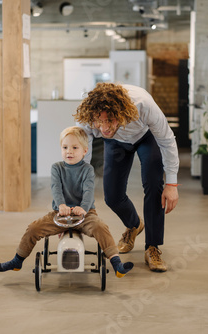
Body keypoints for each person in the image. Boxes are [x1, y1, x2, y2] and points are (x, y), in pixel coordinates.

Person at [0, 126, 133, 278]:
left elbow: (88, 191)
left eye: (75, 147)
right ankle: (17, 260)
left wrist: (83, 208)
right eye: (65, 147)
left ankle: (116, 264)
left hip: (84, 213)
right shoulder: (57, 168)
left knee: (101, 227)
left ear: (85, 151)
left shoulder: (88, 170)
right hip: (60, 213)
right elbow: (56, 188)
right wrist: (61, 205)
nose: (69, 151)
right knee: (34, 228)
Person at [74, 82, 179, 272]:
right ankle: (134, 225)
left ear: (121, 114)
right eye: (100, 121)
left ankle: (152, 247)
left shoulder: (143, 104)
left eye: (110, 120)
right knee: (112, 196)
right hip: (116, 142)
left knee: (154, 185)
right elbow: (83, 148)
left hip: (146, 138)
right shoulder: (89, 114)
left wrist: (171, 183)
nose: (104, 128)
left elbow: (167, 140)